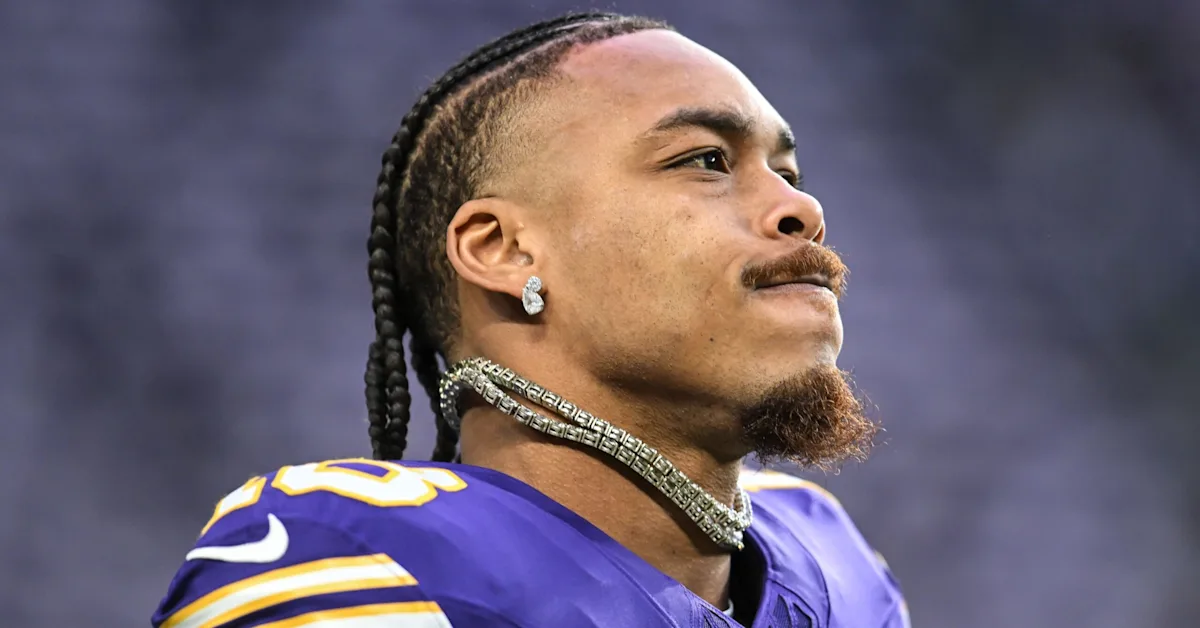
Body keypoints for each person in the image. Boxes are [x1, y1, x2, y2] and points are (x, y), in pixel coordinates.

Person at [152, 12, 909, 628]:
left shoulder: (837, 568)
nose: (801, 208)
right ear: (503, 250)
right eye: (705, 160)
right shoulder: (362, 564)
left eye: (788, 172)